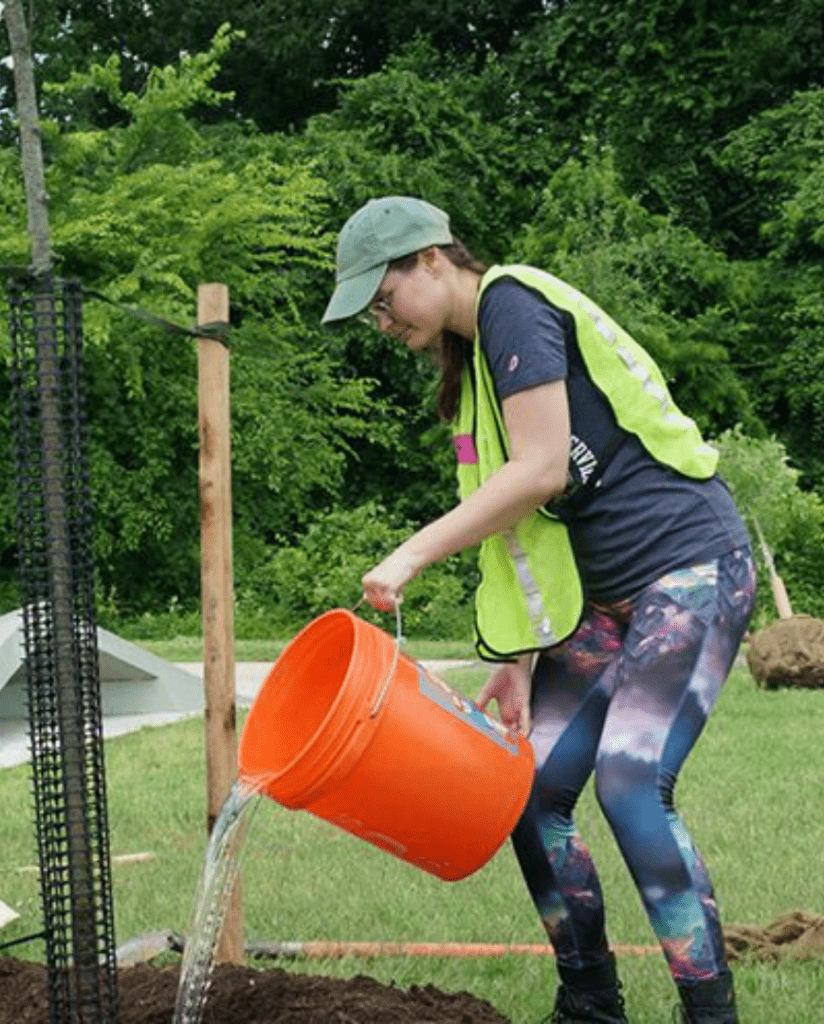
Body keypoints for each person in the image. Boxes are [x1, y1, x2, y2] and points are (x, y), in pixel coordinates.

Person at [321, 196, 756, 1024]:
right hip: (606, 603)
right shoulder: (477, 369)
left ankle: (712, 1015)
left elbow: (543, 469)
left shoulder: (512, 304)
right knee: (523, 786)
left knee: (631, 782)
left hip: (692, 569)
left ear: (432, 261)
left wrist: (411, 552)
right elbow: (515, 529)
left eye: (384, 298)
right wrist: (517, 659)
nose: (382, 321)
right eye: (370, 312)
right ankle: (590, 1002)